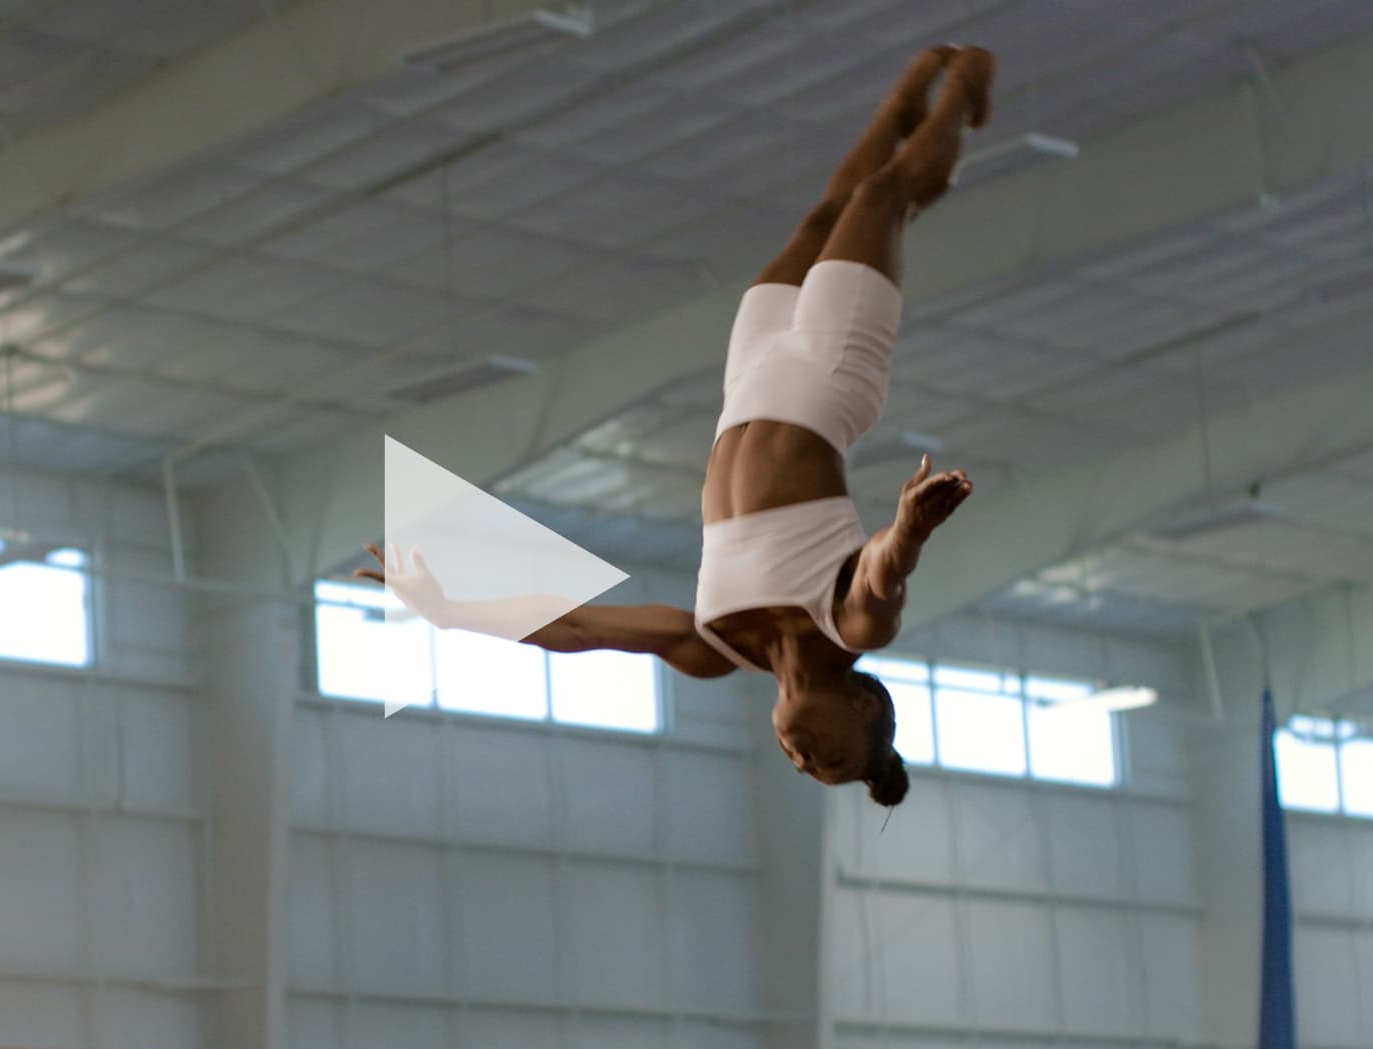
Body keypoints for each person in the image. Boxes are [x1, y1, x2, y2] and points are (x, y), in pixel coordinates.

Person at [357, 46, 994, 809]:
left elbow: (582, 630)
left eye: (804, 769)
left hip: (753, 374)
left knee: (823, 217)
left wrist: (455, 611)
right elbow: (885, 575)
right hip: (830, 372)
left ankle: (897, 108)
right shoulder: (853, 631)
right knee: (885, 197)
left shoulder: (713, 647)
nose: (805, 761)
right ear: (866, 711)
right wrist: (910, 529)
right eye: (834, 762)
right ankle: (963, 94)